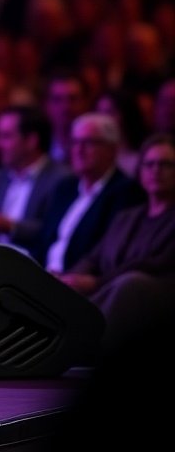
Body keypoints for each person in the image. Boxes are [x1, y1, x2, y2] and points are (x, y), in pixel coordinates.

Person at [54, 132, 175, 353]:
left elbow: (155, 264)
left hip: (156, 292)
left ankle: (79, 348)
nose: (156, 170)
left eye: (165, 164)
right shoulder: (127, 217)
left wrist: (96, 282)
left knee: (130, 283)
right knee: (55, 280)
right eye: (149, 164)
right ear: (140, 171)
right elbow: (94, 257)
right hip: (110, 287)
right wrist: (69, 278)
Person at [29, 112, 144, 271]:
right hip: (42, 276)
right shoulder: (66, 187)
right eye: (75, 142)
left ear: (112, 149)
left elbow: (105, 251)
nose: (79, 150)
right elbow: (43, 240)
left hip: (78, 283)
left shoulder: (125, 192)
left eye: (89, 142)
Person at [0, 103, 70, 251]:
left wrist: (12, 227)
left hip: (34, 266)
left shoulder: (61, 179)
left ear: (31, 141)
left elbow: (56, 230)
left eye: (6, 137)